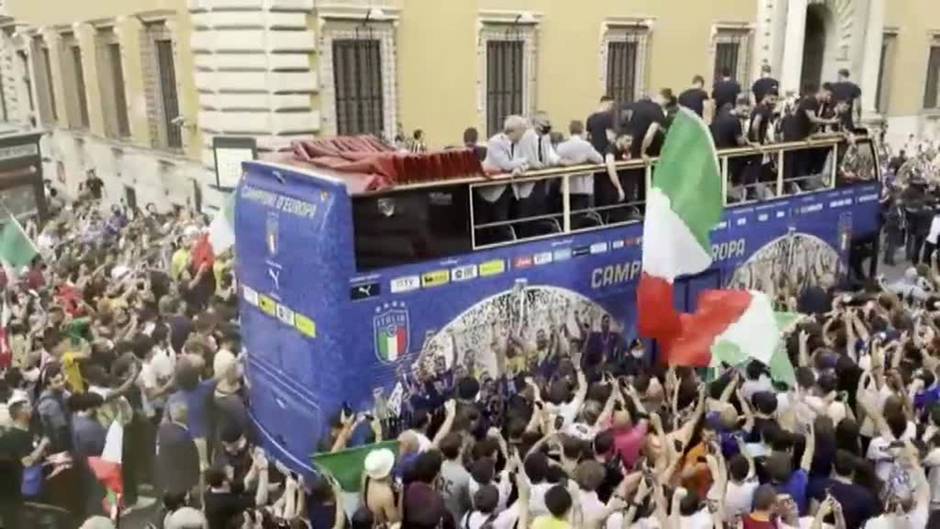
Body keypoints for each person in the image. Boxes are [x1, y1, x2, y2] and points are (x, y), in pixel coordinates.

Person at [479, 115, 530, 228]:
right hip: (494, 189)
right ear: (515, 130)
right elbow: (506, 165)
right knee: (498, 221)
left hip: (511, 187)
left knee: (512, 218)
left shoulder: (519, 143)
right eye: (523, 130)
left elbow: (525, 165)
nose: (524, 133)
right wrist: (525, 159)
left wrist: (519, 168)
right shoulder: (495, 142)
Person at [556, 120, 604, 218]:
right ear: (582, 130)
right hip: (583, 186)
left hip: (567, 185)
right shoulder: (585, 146)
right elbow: (599, 159)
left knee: (567, 214)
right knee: (580, 215)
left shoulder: (561, 146)